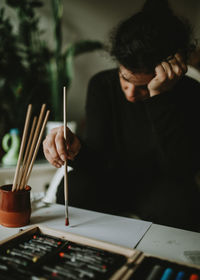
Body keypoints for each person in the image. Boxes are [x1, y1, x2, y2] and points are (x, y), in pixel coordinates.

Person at [43, 0, 200, 231]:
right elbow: (98, 161)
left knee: (184, 204)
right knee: (74, 187)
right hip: (112, 181)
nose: (130, 94)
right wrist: (76, 148)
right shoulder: (102, 85)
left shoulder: (189, 91)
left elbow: (181, 170)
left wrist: (159, 98)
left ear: (169, 75)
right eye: (125, 79)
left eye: (144, 86)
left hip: (160, 187)